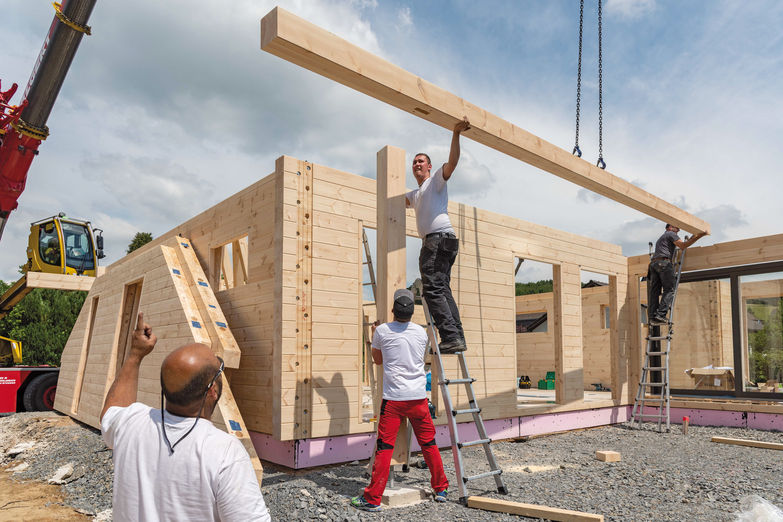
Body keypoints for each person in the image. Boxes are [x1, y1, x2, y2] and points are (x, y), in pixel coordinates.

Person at [100, 311, 271, 522]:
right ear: (212, 391)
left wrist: (136, 354)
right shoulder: (225, 453)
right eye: (219, 368)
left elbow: (111, 410)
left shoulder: (132, 422)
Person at [351, 289, 449, 512]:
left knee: (385, 447)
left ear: (393, 311)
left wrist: (377, 334)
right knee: (429, 444)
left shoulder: (383, 331)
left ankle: (372, 499)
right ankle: (441, 489)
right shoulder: (421, 333)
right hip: (417, 399)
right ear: (412, 314)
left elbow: (377, 361)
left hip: (394, 400)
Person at [406, 117, 470, 354]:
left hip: (437, 240)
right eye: (413, 162)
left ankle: (451, 337)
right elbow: (394, 201)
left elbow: (452, 162)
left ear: (429, 166)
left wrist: (456, 133)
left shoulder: (435, 182)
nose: (416, 164)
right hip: (445, 241)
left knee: (432, 288)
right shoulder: (415, 194)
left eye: (421, 161)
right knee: (442, 289)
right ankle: (458, 336)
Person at [648, 224, 706, 324]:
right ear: (669, 227)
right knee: (669, 289)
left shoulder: (661, 238)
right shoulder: (671, 234)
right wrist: (700, 235)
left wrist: (693, 236)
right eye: (676, 227)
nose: (678, 230)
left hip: (654, 264)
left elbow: (683, 243)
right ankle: (661, 315)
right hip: (664, 263)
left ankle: (653, 316)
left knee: (655, 291)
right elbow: (683, 246)